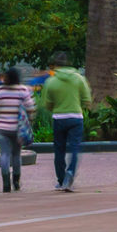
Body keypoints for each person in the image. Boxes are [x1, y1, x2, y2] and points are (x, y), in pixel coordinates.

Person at [40, 52, 93, 192]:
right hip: (76, 117)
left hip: (59, 118)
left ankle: (61, 179)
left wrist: (56, 106)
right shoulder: (79, 79)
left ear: (56, 66)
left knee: (59, 150)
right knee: (75, 147)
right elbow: (87, 99)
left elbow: (46, 104)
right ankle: (71, 172)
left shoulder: (51, 81)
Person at [0, 65, 35, 194]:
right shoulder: (23, 90)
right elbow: (30, 108)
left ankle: (5, 182)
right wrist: (30, 121)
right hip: (17, 129)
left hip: (1, 128)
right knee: (16, 154)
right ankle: (16, 181)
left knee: (4, 153)